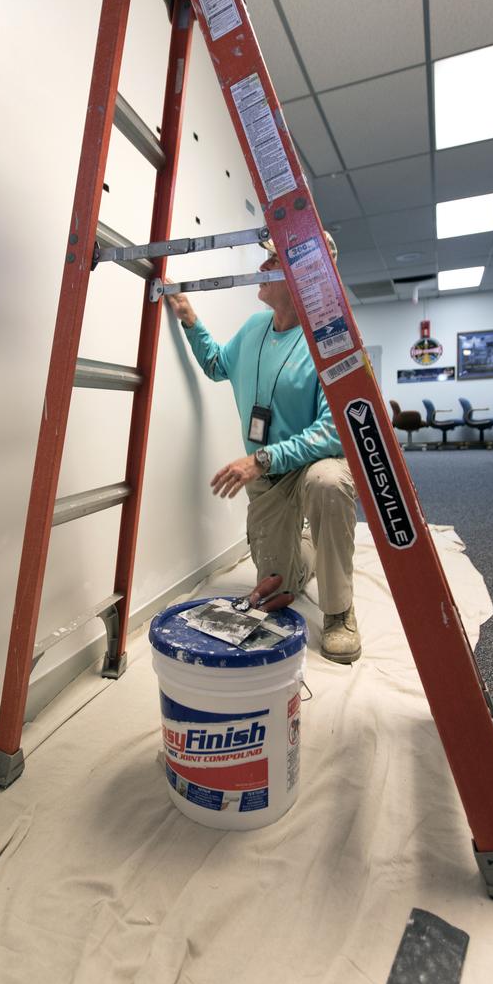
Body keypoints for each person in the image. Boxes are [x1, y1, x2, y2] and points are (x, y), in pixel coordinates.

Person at [166, 237, 360, 664]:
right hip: (269, 479)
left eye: (272, 260)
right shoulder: (255, 327)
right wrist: (188, 318)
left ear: (302, 277)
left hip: (312, 464)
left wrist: (262, 458)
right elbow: (218, 366)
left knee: (328, 484)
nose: (261, 267)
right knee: (280, 590)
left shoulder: (331, 341)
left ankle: (339, 611)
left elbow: (334, 431)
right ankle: (312, 547)